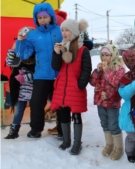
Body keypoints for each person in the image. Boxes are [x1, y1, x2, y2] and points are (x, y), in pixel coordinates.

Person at [15, 2, 63, 138]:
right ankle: (35, 130)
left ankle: (61, 129)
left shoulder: (60, 31)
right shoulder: (33, 35)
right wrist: (20, 41)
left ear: (51, 17)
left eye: (45, 17)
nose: (42, 20)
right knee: (36, 103)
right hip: (41, 75)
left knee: (61, 104)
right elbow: (23, 55)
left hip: (59, 74)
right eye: (39, 18)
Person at [50, 18, 91, 155]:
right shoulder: (61, 47)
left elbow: (86, 69)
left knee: (77, 116)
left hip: (75, 88)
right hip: (62, 88)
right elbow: (55, 67)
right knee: (63, 115)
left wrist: (80, 85)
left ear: (73, 32)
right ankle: (66, 141)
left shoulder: (83, 50)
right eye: (62, 30)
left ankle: (77, 144)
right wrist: (56, 54)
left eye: (66, 30)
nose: (64, 32)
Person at [89, 44, 125, 160]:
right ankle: (109, 144)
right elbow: (93, 82)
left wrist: (108, 71)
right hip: (101, 100)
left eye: (107, 55)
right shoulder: (100, 67)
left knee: (113, 125)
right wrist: (98, 71)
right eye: (102, 55)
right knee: (104, 123)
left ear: (113, 55)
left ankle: (119, 148)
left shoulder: (119, 68)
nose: (104, 58)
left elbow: (117, 83)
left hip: (112, 102)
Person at [4, 35, 35, 139]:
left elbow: (41, 71)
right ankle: (14, 131)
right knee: (19, 109)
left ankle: (34, 130)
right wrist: (13, 48)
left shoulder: (37, 52)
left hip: (34, 85)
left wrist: (27, 77)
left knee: (35, 109)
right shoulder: (17, 51)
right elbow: (9, 61)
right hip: (19, 86)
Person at [47, 9, 68, 140]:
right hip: (54, 72)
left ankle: (61, 128)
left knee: (59, 102)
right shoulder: (60, 21)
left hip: (58, 74)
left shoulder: (57, 23)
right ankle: (59, 127)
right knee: (57, 102)